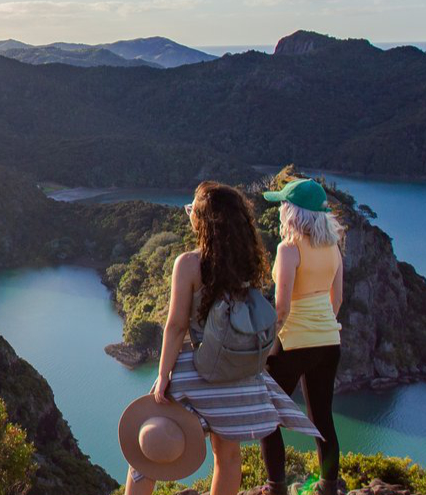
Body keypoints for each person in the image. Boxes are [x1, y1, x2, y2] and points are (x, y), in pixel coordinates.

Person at [126, 181, 322, 495]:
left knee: (148, 446)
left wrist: (163, 375)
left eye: (192, 209)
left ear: (204, 222)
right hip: (239, 375)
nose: (188, 213)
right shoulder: (248, 263)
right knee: (228, 457)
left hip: (196, 371)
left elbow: (176, 326)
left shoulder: (189, 264)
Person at [259, 178, 347, 495]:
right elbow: (336, 300)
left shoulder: (289, 249)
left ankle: (276, 487)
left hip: (294, 340)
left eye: (284, 204)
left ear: (293, 212)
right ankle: (328, 486)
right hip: (329, 341)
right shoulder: (333, 247)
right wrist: (322, 328)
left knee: (268, 415)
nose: (281, 209)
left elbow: (281, 308)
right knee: (322, 417)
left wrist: (266, 345)